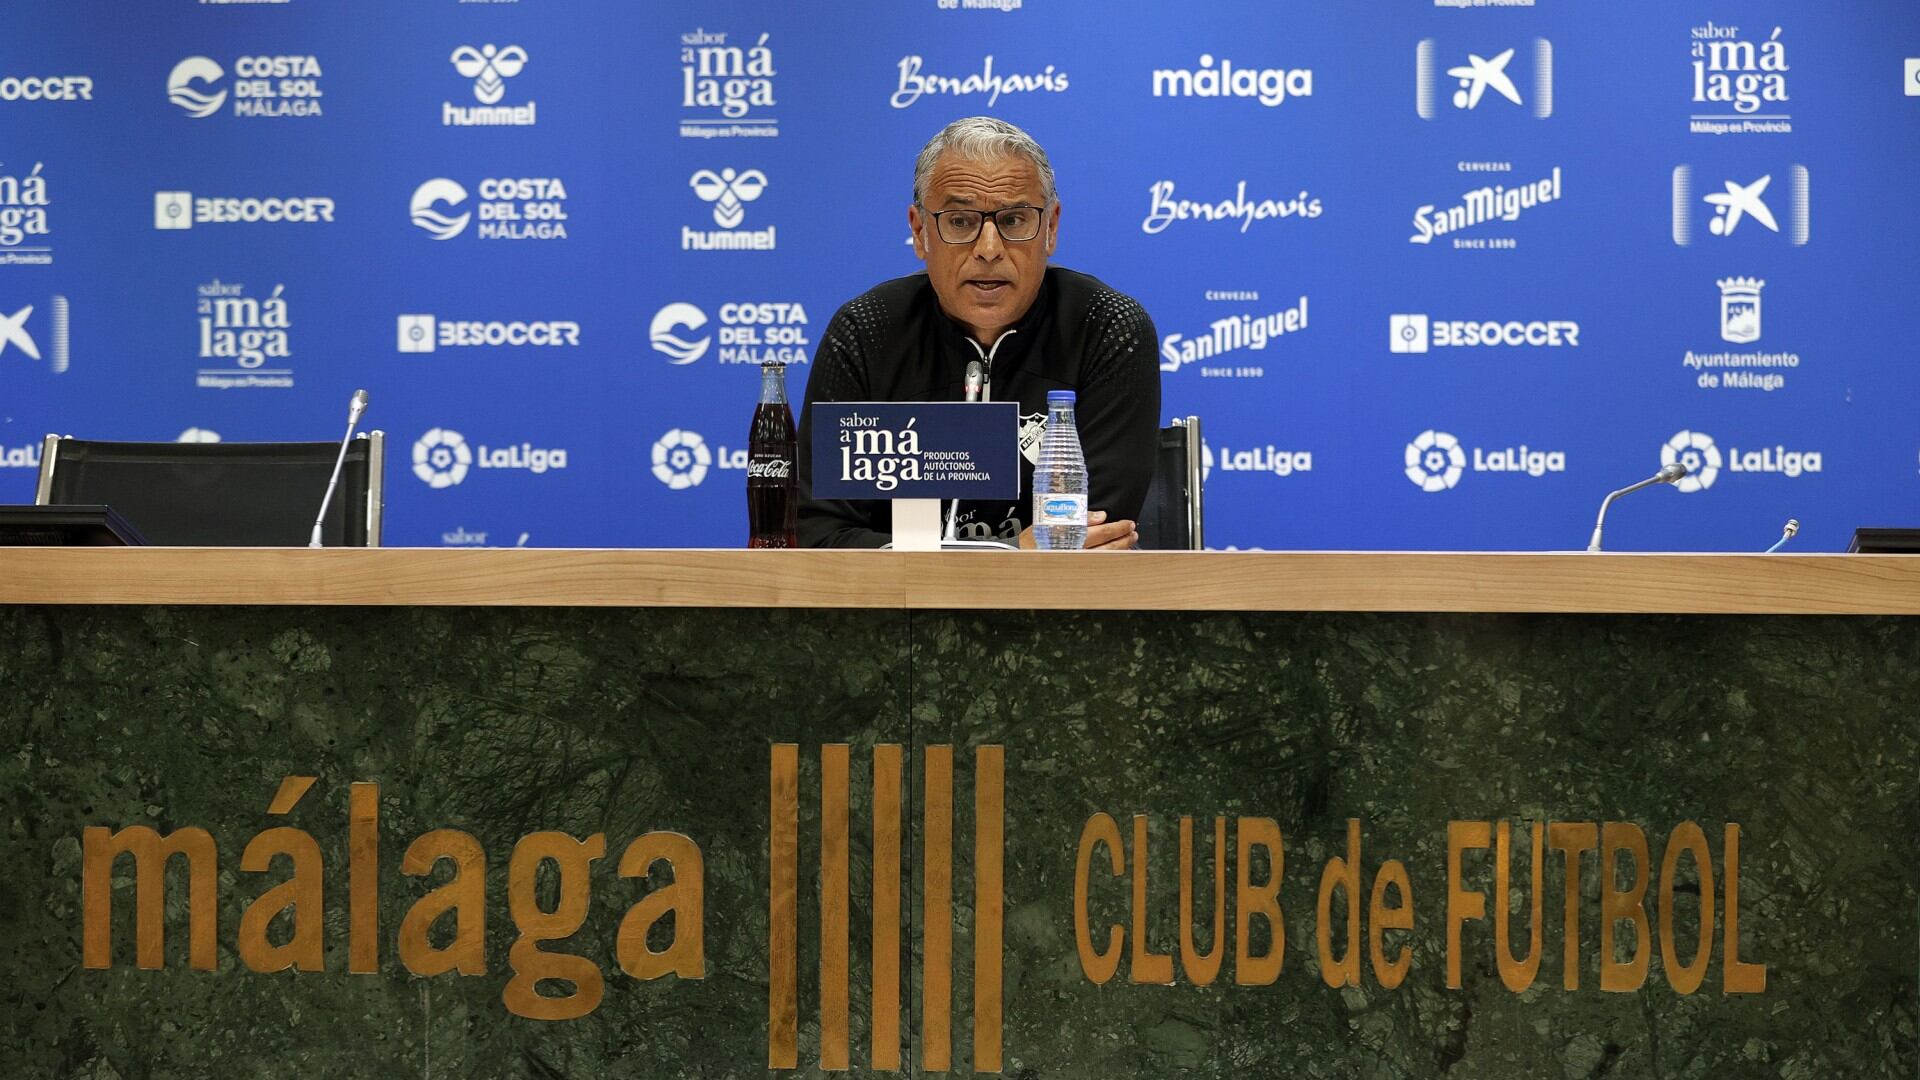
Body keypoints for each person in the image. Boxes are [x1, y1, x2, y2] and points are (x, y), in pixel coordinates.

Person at [796, 116, 1161, 549]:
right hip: (894, 610)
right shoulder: (866, 331)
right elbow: (816, 532)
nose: (989, 250)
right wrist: (1003, 562)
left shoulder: (1107, 326)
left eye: (1013, 220)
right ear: (919, 231)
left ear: (1051, 228)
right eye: (960, 221)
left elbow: (1095, 539)